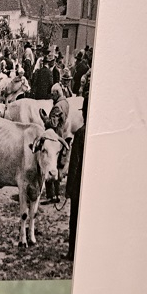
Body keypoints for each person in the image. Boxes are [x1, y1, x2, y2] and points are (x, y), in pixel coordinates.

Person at [64, 75, 89, 261]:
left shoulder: (81, 134)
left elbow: (75, 164)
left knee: (75, 220)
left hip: (80, 187)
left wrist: (69, 188)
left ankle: (72, 251)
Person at [42, 83, 70, 205]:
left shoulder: (57, 106)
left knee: (50, 163)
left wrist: (43, 118)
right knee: (58, 166)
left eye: (53, 94)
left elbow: (52, 123)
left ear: (57, 93)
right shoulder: (65, 103)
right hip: (61, 136)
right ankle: (57, 194)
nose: (51, 96)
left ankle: (50, 196)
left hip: (54, 137)